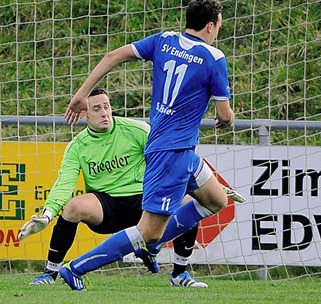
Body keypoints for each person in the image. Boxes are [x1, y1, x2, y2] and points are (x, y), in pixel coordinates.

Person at [59, 0, 238, 291]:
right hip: (172, 153)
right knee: (148, 232)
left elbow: (114, 55)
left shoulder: (164, 40)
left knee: (216, 200)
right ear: (211, 26)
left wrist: (83, 93)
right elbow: (224, 114)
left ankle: (168, 261)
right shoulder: (213, 57)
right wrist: (227, 120)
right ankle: (77, 268)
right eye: (218, 25)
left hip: (175, 148)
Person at [18, 88, 208, 288]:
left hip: (145, 200)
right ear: (84, 114)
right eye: (97, 109)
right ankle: (50, 273)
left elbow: (172, 156)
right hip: (107, 206)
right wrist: (48, 214)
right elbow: (64, 183)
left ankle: (179, 274)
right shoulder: (78, 146)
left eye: (106, 107)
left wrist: (199, 186)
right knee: (73, 207)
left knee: (188, 203)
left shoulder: (136, 130)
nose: (104, 113)